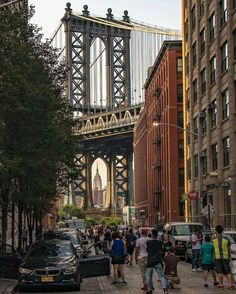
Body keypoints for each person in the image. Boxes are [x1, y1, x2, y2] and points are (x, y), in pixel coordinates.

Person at [146, 228, 169, 294]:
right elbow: (162, 251)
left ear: (152, 234)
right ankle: (165, 289)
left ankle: (149, 290)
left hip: (150, 261)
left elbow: (148, 250)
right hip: (158, 261)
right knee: (161, 276)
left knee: (149, 276)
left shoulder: (148, 242)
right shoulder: (160, 242)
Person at [213, 225, 235, 290]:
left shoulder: (214, 239)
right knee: (228, 271)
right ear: (222, 230)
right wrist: (230, 256)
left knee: (219, 272)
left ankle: (221, 284)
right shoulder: (226, 239)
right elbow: (229, 249)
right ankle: (230, 284)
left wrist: (214, 233)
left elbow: (211, 241)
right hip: (225, 257)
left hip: (217, 257)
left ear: (216, 231)